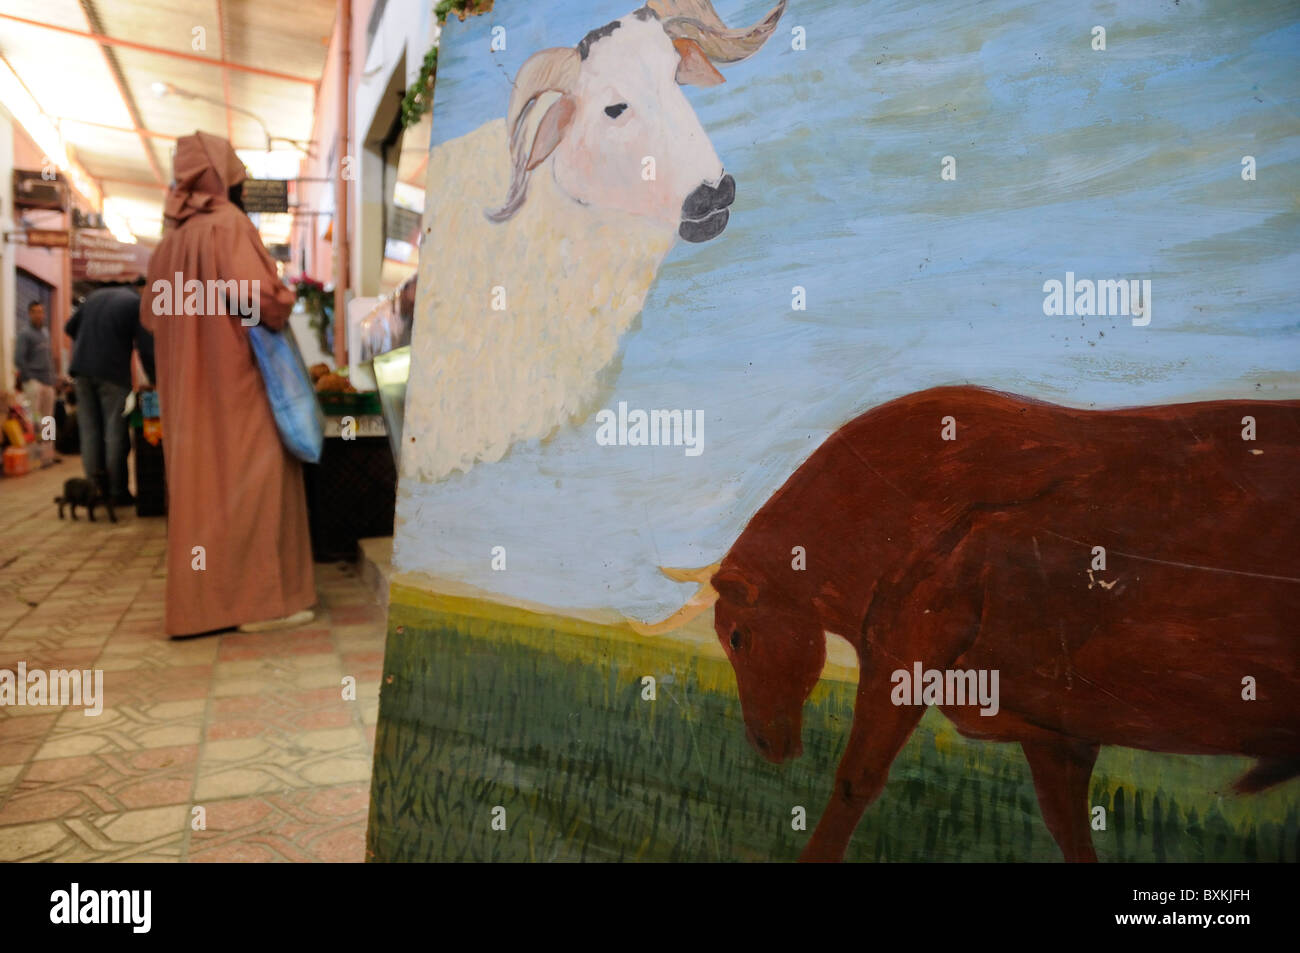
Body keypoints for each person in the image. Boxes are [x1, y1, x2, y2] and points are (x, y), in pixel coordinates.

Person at [140, 131, 315, 637]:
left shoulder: (167, 244)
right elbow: (262, 300)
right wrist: (267, 305)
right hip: (237, 378)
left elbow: (153, 319)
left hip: (185, 386)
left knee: (200, 489)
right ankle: (257, 604)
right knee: (256, 480)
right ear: (222, 176)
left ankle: (201, 607)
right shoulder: (229, 227)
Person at [65, 281, 155, 505]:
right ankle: (117, 493)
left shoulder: (94, 297)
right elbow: (145, 347)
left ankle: (94, 491)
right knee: (115, 432)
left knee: (89, 432)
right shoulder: (136, 304)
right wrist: (155, 380)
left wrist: (90, 342)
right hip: (113, 374)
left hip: (82, 371)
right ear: (142, 289)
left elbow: (69, 327)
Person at [14, 301, 57, 466]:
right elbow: (19, 359)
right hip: (33, 383)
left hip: (48, 382)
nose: (38, 314)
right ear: (29, 313)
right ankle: (34, 456)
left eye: (41, 311)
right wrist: (30, 377)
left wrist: (53, 378)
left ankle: (47, 455)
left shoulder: (45, 333)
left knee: (48, 420)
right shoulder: (24, 334)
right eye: (35, 312)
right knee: (33, 419)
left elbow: (49, 359)